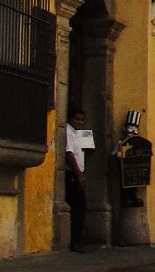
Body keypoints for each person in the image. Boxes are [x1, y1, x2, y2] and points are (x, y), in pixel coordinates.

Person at [64, 108, 89, 253]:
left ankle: (77, 240)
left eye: (82, 120)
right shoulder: (68, 131)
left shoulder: (77, 134)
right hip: (72, 174)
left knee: (79, 207)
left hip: (78, 172)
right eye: (77, 119)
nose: (79, 122)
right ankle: (74, 241)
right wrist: (79, 175)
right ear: (71, 119)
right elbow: (69, 154)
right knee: (78, 208)